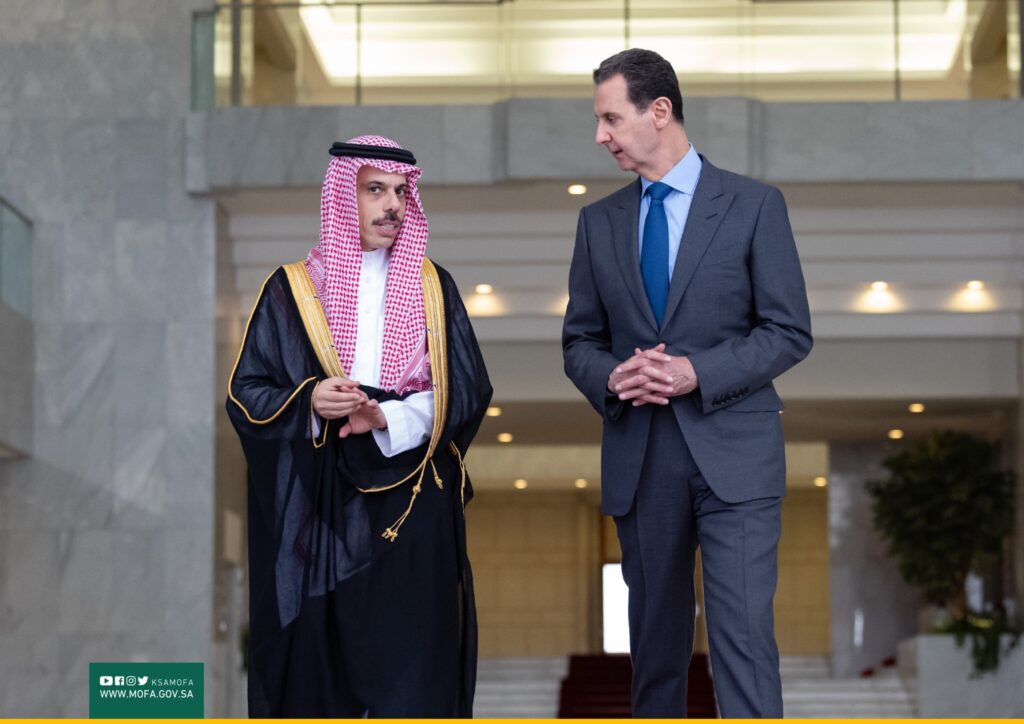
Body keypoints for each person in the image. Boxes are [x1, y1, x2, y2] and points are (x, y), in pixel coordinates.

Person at [562, 49, 813, 718]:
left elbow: (789, 331)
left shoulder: (756, 205)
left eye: (610, 118)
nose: (601, 136)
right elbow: (578, 342)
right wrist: (613, 376)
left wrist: (696, 371)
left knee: (744, 640)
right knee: (654, 649)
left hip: (737, 454)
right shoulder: (597, 224)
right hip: (643, 460)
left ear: (660, 111)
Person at [227, 135, 492, 717]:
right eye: (375, 190)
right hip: (323, 502)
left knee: (416, 659)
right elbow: (246, 393)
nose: (392, 205)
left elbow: (470, 389)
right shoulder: (291, 290)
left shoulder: (434, 287)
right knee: (322, 665)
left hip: (412, 496)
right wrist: (311, 399)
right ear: (343, 195)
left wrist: (392, 416)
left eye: (400, 192)